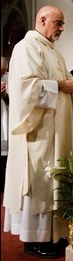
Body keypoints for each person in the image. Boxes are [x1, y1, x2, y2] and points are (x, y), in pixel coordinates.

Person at [3, 5, 73, 259]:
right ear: (43, 20)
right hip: (39, 133)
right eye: (58, 23)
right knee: (40, 182)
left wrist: (69, 86)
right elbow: (25, 89)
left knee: (54, 180)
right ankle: (34, 238)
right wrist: (60, 85)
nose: (61, 28)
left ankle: (53, 234)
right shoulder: (27, 47)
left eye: (62, 24)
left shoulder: (51, 52)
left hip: (55, 132)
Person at [1, 56, 9, 193]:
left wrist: (5, 96)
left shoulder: (9, 79)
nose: (2, 75)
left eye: (4, 72)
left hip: (4, 125)